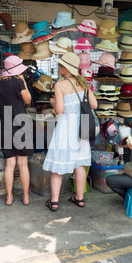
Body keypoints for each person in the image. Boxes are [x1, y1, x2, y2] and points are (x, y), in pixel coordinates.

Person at [42, 52, 97, 211]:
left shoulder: (59, 85)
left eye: (60, 65)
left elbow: (59, 110)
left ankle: (54, 201)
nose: (58, 67)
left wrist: (53, 102)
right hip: (82, 128)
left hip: (66, 128)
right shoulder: (84, 83)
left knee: (57, 167)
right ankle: (79, 198)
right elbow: (94, 104)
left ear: (66, 68)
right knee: (79, 164)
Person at [0, 55, 32, 206]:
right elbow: (27, 100)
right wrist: (23, 83)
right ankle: (26, 197)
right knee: (23, 164)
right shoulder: (18, 82)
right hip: (20, 125)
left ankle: (9, 197)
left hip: (3, 126)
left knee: (10, 163)